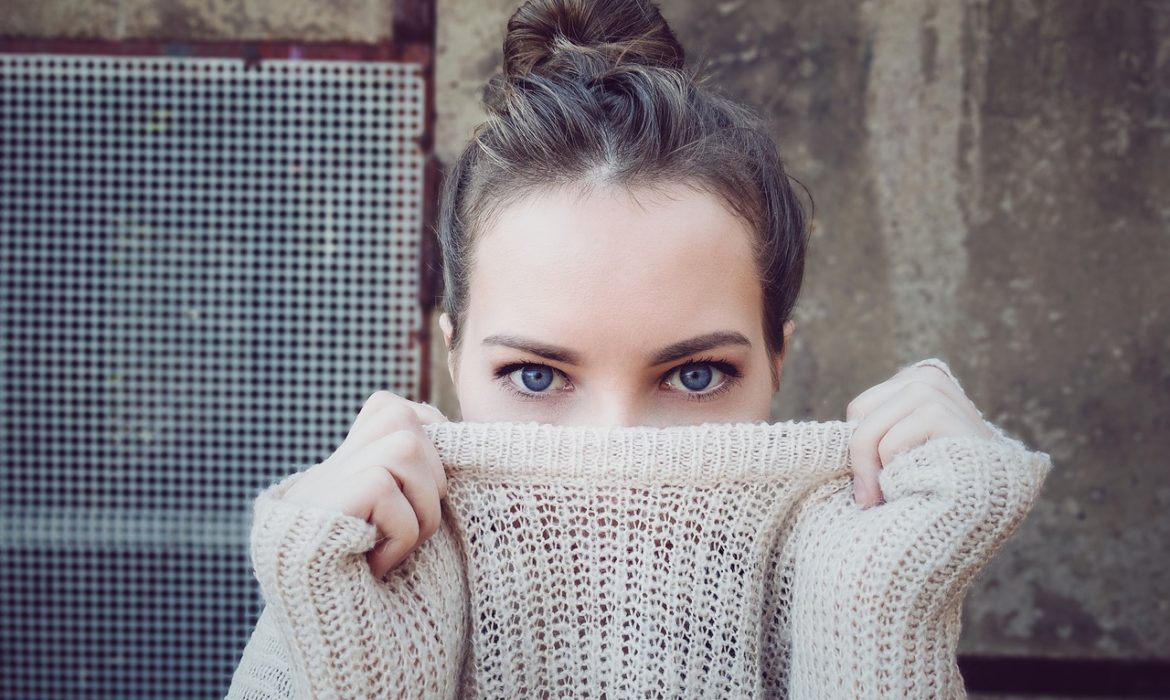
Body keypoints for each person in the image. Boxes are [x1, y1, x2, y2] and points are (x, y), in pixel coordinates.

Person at [281, 0, 996, 582]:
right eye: (535, 376)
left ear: (777, 360)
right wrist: (326, 616)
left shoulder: (856, 585)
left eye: (695, 375)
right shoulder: (353, 578)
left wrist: (898, 608)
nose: (617, 469)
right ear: (452, 356)